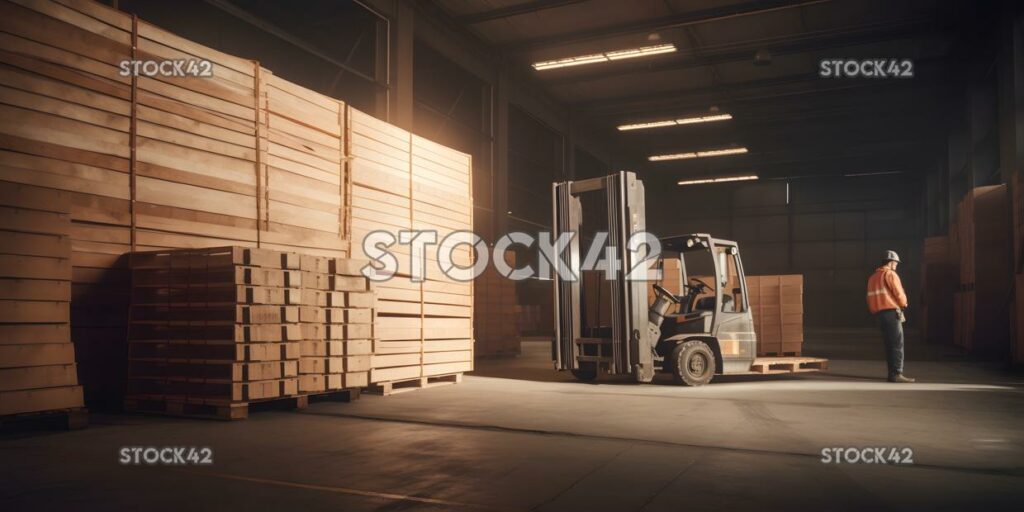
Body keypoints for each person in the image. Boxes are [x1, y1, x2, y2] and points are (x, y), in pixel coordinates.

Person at [866, 250, 915, 383]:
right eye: (896, 263)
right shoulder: (890, 274)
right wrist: (903, 304)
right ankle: (896, 374)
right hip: (891, 313)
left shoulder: (872, 278)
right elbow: (899, 293)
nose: (896, 266)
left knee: (889, 344)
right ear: (891, 262)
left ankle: (892, 373)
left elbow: (869, 298)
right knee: (897, 344)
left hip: (879, 315)